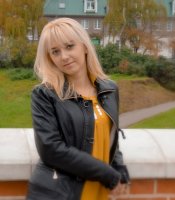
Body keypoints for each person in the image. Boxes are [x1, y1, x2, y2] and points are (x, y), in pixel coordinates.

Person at [26, 17, 130, 200]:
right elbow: (51, 149)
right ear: (50, 57)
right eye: (55, 52)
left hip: (98, 191)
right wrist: (108, 174)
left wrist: (120, 170)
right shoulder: (45, 94)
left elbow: (110, 134)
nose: (64, 57)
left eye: (69, 46)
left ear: (84, 46)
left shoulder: (109, 89)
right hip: (58, 193)